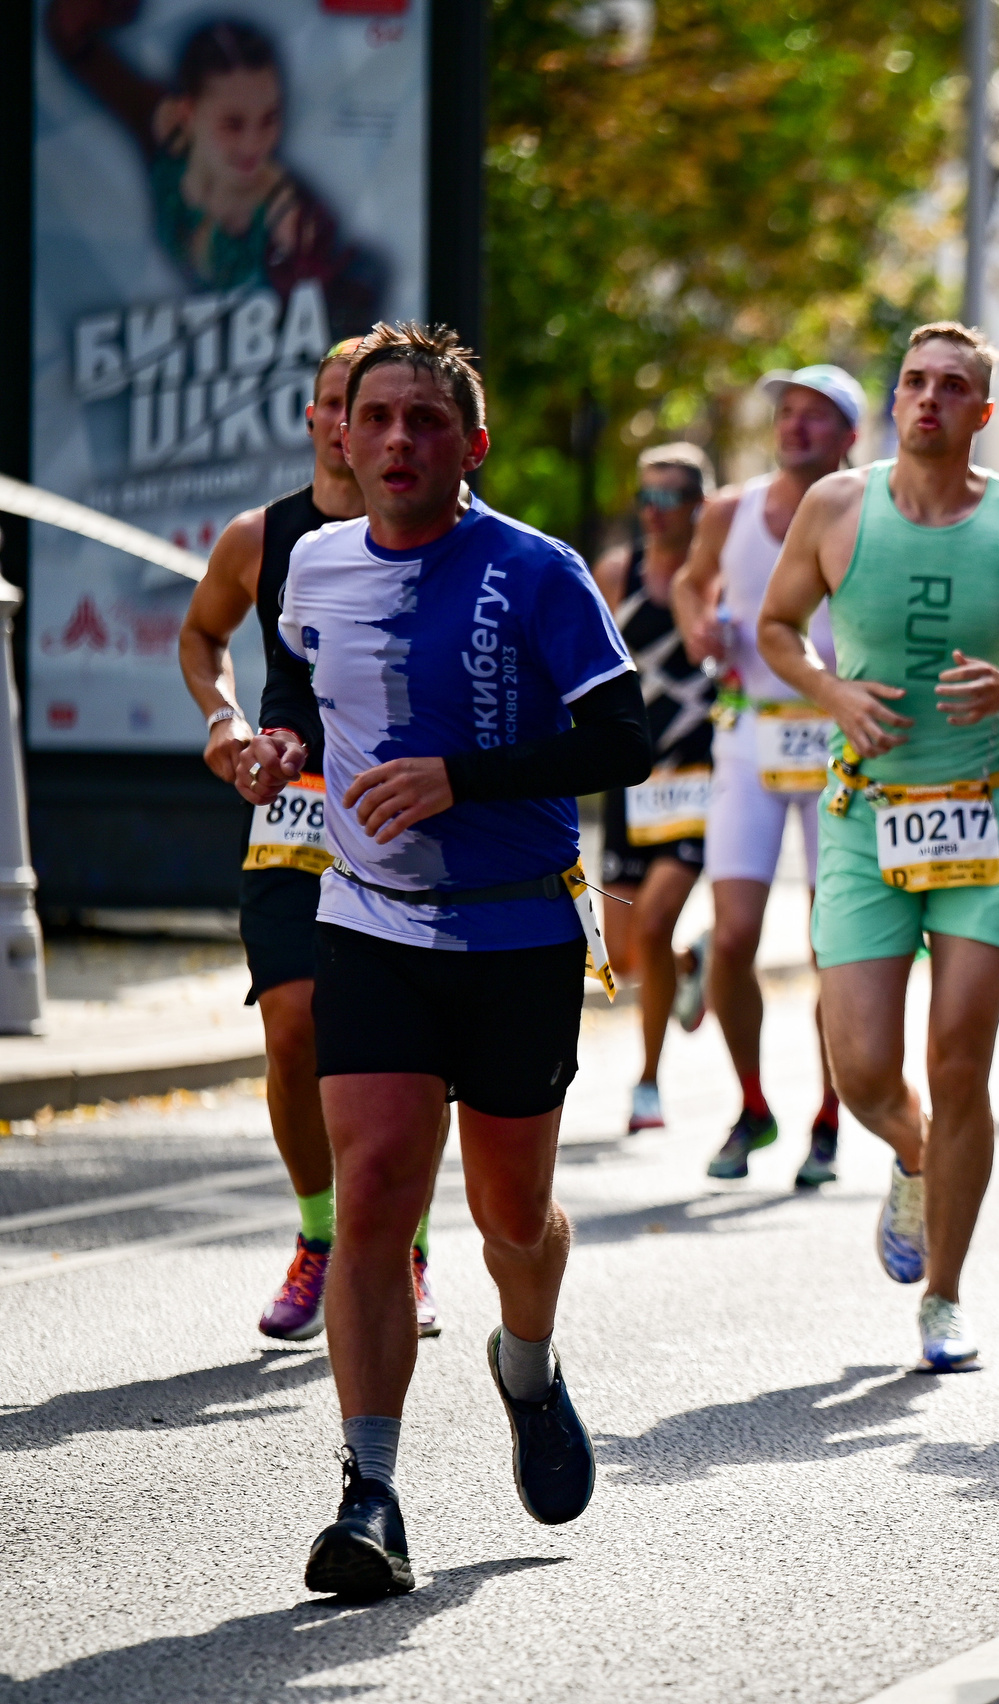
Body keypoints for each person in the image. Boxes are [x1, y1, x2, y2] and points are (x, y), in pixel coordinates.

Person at [232, 322, 650, 1599]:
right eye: (378, 418)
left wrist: (460, 775)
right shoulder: (310, 564)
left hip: (517, 930)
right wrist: (278, 751)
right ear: (341, 439)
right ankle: (370, 1496)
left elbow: (623, 739)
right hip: (367, 919)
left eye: (427, 421)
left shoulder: (536, 570)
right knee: (373, 1196)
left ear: (470, 445)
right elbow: (308, 696)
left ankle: (527, 1362)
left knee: (512, 1218)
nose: (400, 439)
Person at [756, 322, 999, 1373]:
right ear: (894, 399)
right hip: (866, 818)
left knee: (959, 1060)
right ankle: (911, 1156)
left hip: (984, 816)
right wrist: (830, 689)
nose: (929, 399)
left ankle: (944, 1294)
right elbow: (774, 628)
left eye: (953, 387)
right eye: (914, 382)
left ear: (982, 413)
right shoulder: (836, 506)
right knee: (860, 1068)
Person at [177, 337, 440, 1342]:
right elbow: (202, 635)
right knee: (292, 1024)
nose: (351, 424)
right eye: (338, 404)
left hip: (399, 810)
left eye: (370, 407)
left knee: (404, 1046)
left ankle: (405, 1244)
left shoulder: (425, 535)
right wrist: (226, 722)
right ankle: (321, 1235)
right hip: (293, 806)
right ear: (316, 419)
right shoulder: (263, 535)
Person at [673, 366, 864, 1183]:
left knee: (833, 943)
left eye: (815, 417)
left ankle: (829, 1113)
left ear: (848, 435)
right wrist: (697, 629)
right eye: (786, 414)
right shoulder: (731, 510)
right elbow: (691, 581)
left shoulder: (870, 512)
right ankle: (752, 1106)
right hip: (750, 737)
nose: (795, 428)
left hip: (836, 740)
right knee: (736, 937)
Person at [45, 1, 377, 321]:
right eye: (232, 124)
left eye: (269, 119)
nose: (254, 145)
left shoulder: (297, 220)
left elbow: (352, 319)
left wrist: (304, 273)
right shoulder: (164, 130)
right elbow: (71, 37)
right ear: (188, 113)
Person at [594, 443, 720, 1133]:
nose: (654, 509)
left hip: (701, 771)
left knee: (654, 915)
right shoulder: (618, 571)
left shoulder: (715, 573)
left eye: (670, 497)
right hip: (633, 776)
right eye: (646, 495)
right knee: (622, 953)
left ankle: (647, 1085)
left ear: (698, 505)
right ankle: (687, 965)